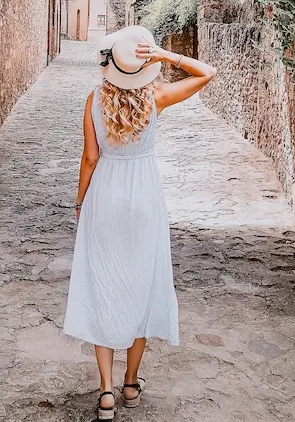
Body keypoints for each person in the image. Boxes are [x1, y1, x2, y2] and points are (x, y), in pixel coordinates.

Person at [62, 24, 217, 420]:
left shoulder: (93, 100)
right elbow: (207, 73)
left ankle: (107, 392)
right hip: (145, 196)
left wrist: (81, 202)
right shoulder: (158, 97)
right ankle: (132, 382)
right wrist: (166, 56)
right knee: (141, 285)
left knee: (103, 284)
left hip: (106, 195)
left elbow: (90, 158)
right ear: (143, 65)